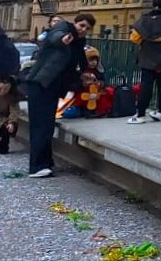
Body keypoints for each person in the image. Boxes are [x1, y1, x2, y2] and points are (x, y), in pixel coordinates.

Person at [22, 11, 93, 178]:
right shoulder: (63, 28)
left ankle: (45, 163)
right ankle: (36, 167)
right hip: (40, 84)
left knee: (46, 125)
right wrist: (63, 39)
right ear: (75, 23)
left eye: (87, 28)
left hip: (51, 87)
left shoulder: (78, 42)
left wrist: (83, 75)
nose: (83, 30)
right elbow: (55, 36)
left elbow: (73, 67)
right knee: (41, 126)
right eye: (81, 25)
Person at [0, 74, 19, 154]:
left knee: (7, 128)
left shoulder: (11, 98)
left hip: (5, 119)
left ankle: (4, 146)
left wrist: (11, 122)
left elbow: (14, 111)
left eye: (6, 89)